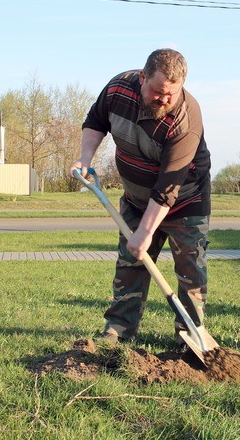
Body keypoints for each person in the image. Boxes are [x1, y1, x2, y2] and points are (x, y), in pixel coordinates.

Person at [70, 48, 211, 345]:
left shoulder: (186, 118)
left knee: (190, 270)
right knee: (129, 265)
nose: (165, 100)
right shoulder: (118, 88)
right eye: (158, 92)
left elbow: (167, 188)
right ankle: (118, 332)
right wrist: (84, 158)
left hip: (185, 201)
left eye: (172, 94)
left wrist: (145, 232)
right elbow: (96, 121)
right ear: (142, 76)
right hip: (136, 199)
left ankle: (191, 337)